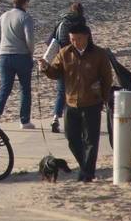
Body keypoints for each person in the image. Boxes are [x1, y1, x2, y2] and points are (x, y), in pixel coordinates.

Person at [39, 20, 113, 182]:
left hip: (92, 103)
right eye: (71, 39)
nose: (74, 42)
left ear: (86, 36)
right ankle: (86, 168)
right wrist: (45, 67)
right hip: (71, 103)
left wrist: (105, 99)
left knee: (90, 141)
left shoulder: (98, 54)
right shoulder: (65, 52)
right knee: (72, 138)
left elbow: (107, 78)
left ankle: (87, 173)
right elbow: (55, 73)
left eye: (77, 39)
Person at [0, 0, 36, 129]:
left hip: (4, 56)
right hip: (21, 55)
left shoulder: (4, 16)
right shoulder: (26, 17)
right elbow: (29, 39)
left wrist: (1, 50)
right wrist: (31, 52)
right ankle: (24, 120)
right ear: (24, 2)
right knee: (25, 88)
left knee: (5, 87)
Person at [46, 3, 87, 134]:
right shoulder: (82, 26)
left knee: (61, 92)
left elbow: (50, 42)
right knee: (77, 92)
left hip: (62, 61)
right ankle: (75, 121)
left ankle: (55, 118)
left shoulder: (61, 24)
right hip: (77, 63)